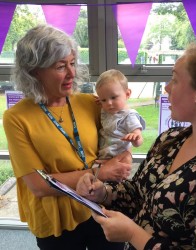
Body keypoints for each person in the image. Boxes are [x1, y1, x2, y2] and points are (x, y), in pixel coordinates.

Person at [76, 44, 196, 249]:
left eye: (175, 80)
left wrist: (133, 234)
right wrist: (102, 192)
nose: (166, 87)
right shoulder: (171, 139)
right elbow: (138, 193)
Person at [3, 24, 132, 250]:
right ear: (34, 71)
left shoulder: (90, 103)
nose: (72, 73)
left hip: (100, 204)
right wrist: (99, 171)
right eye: (61, 66)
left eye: (72, 63)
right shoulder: (16, 117)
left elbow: (120, 138)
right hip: (56, 218)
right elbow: (38, 185)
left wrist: (125, 158)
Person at [95, 69, 146, 159]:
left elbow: (139, 140)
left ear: (127, 94)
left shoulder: (129, 116)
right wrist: (101, 102)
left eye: (113, 97)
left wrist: (135, 138)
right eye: (104, 99)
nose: (109, 103)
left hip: (118, 159)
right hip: (103, 156)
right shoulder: (108, 110)